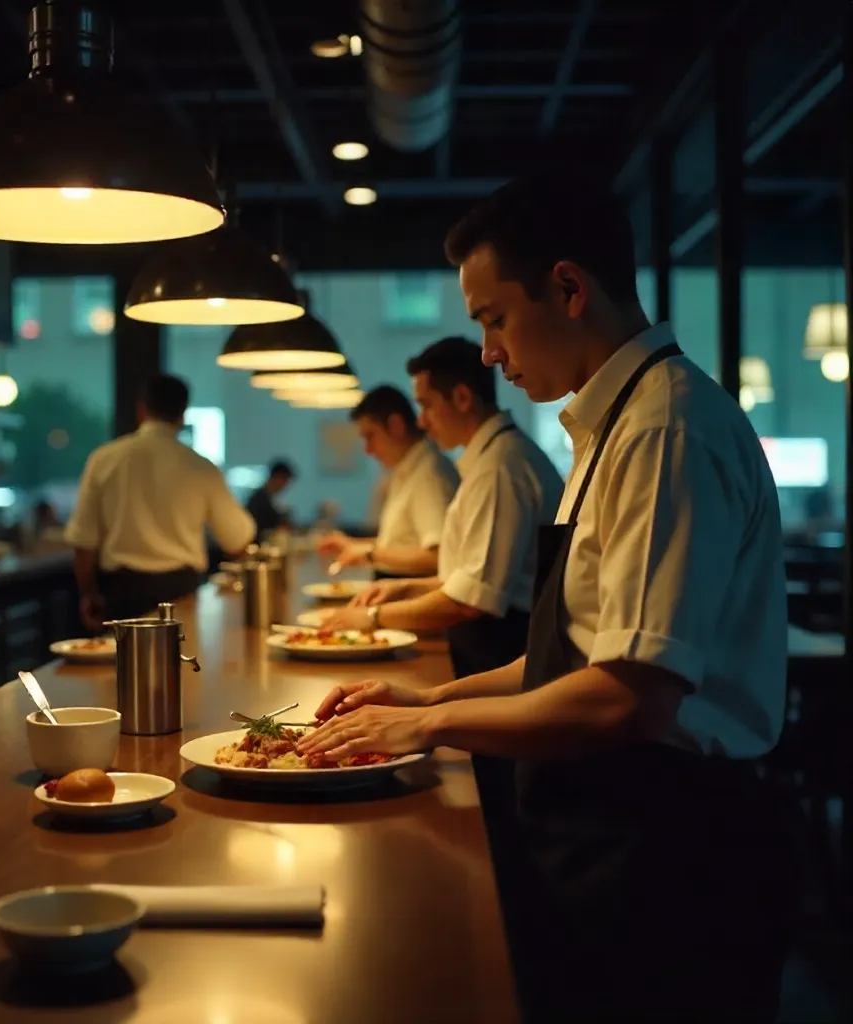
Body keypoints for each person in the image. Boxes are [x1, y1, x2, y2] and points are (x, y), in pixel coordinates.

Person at [299, 171, 796, 1022]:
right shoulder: (610, 426)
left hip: (669, 845)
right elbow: (569, 653)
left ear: (568, 288)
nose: (488, 353)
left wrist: (427, 724)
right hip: (609, 820)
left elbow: (629, 697)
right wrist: (430, 694)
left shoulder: (663, 430)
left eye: (494, 320)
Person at [321, 337, 562, 684]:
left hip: (501, 650)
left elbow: (471, 601)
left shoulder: (500, 466)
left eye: (427, 405)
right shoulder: (492, 459)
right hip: (489, 643)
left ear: (462, 398)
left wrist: (373, 617)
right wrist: (405, 588)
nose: (422, 421)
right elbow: (464, 576)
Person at [65, 373, 255, 627]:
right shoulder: (199, 466)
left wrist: (89, 594)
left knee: (122, 665)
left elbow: (83, 543)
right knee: (183, 662)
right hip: (181, 593)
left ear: (141, 408)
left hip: (122, 593)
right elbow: (237, 540)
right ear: (183, 413)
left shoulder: (105, 459)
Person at [317, 385, 459, 579]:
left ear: (396, 425)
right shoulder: (409, 468)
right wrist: (354, 546)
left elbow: (439, 557)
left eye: (370, 436)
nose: (368, 450)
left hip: (415, 599)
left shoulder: (429, 474)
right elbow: (402, 543)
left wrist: (369, 553)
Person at [246, 459, 296, 540]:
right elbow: (258, 529)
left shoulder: (270, 497)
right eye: (285, 480)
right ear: (277, 477)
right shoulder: (258, 499)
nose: (285, 486)